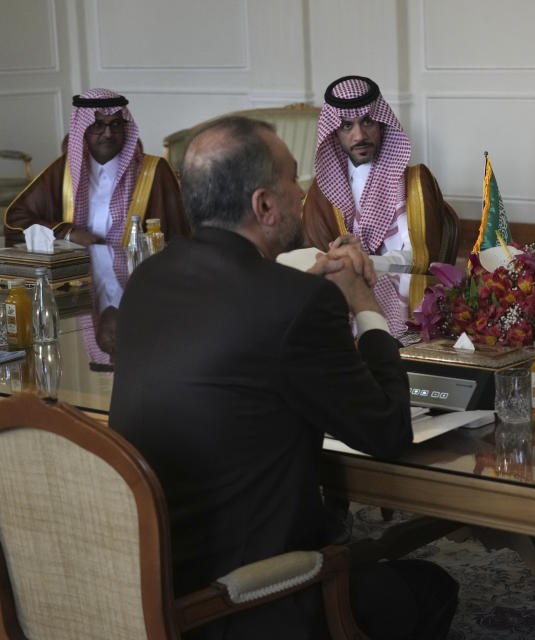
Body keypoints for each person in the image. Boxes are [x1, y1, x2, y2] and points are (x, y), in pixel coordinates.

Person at [109, 116, 457, 640]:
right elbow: (387, 432)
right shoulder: (295, 305)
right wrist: (364, 308)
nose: (305, 192)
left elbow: (238, 321)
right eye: (294, 179)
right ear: (264, 206)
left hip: (152, 580)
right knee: (431, 587)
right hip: (249, 601)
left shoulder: (148, 279)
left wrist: (299, 289)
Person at [4, 88, 189, 362]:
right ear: (82, 130)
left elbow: (181, 238)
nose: (108, 133)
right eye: (97, 125)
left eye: (116, 124)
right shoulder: (64, 172)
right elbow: (16, 220)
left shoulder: (153, 171)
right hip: (78, 288)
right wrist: (68, 232)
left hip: (141, 286)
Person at [302, 75, 459, 338]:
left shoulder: (413, 183)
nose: (359, 135)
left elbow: (418, 259)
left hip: (405, 312)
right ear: (333, 132)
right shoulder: (320, 195)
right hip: (340, 312)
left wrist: (364, 262)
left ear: (382, 123)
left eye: (367, 122)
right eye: (346, 126)